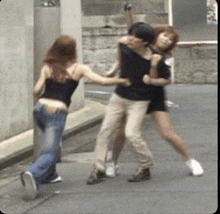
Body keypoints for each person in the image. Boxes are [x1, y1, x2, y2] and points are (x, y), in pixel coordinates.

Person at [20, 35, 130, 199]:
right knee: (51, 149)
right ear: (73, 51)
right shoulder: (79, 68)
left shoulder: (48, 66)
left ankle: (50, 175)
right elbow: (102, 81)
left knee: (53, 144)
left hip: (40, 109)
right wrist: (121, 81)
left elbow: (36, 90)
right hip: (56, 111)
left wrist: (39, 99)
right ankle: (32, 173)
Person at [105, 25, 204, 178]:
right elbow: (123, 56)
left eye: (171, 40)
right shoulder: (141, 44)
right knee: (122, 133)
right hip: (133, 93)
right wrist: (113, 70)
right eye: (165, 35)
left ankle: (191, 161)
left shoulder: (166, 58)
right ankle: (113, 163)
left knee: (168, 134)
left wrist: (152, 73)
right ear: (157, 34)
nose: (166, 40)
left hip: (154, 96)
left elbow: (165, 80)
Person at [87, 22, 163, 185]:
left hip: (140, 100)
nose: (130, 38)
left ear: (145, 42)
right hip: (119, 97)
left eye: (134, 37)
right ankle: (99, 169)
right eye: (129, 34)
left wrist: (154, 66)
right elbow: (121, 58)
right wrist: (113, 70)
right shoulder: (124, 45)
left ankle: (145, 165)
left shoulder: (153, 57)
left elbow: (159, 79)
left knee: (131, 134)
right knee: (104, 132)